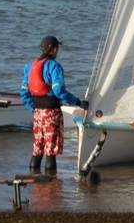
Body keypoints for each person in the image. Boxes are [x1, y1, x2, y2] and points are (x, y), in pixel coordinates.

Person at [20, 35, 86, 176]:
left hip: (38, 114)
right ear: (55, 49)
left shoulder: (29, 67)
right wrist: (78, 102)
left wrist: (34, 108)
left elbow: (24, 94)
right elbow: (58, 91)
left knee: (37, 150)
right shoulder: (54, 66)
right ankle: (51, 184)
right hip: (51, 113)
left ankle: (34, 180)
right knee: (50, 151)